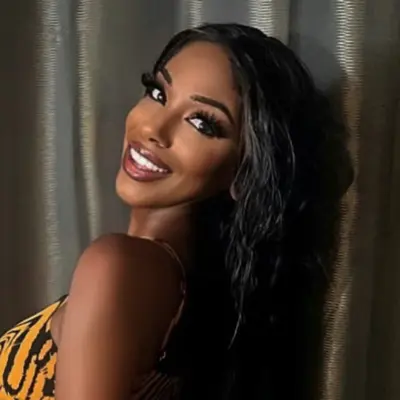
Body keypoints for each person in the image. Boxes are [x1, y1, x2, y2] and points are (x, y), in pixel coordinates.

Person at [0, 23, 344, 400]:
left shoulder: (119, 267)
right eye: (158, 93)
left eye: (202, 123)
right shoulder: (186, 293)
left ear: (244, 173)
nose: (153, 129)